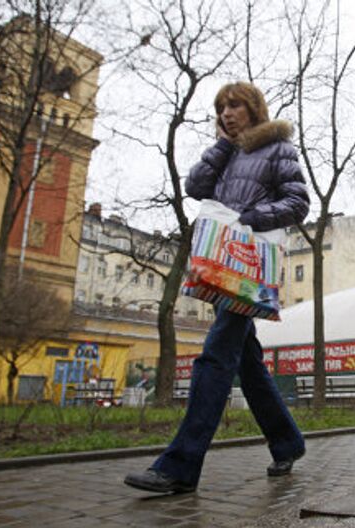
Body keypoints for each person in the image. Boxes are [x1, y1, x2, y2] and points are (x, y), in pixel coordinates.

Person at [124, 82, 310, 494]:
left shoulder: (279, 148)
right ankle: (288, 441)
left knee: (214, 357)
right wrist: (223, 147)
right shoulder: (227, 151)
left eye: (235, 105)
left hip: (247, 264)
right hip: (221, 263)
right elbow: (195, 188)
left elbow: (298, 203)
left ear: (253, 108)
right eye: (221, 106)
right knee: (248, 363)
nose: (226, 112)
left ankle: (181, 465)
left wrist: (250, 218)